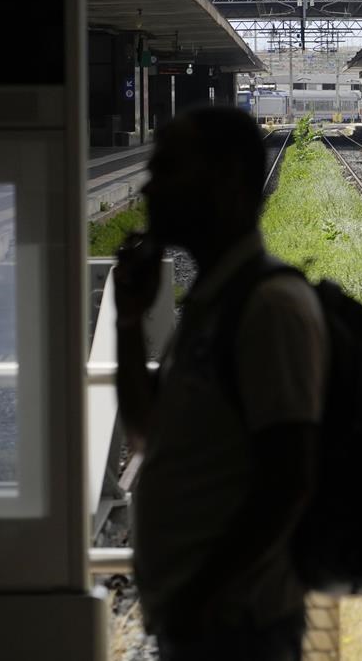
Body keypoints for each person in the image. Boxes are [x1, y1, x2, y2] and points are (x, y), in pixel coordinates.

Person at [114, 107, 328, 661]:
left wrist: (202, 594)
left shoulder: (271, 307)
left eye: (167, 168)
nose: (149, 186)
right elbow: (145, 434)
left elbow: (289, 480)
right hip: (202, 624)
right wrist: (129, 323)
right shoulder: (214, 304)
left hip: (240, 627)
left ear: (226, 180)